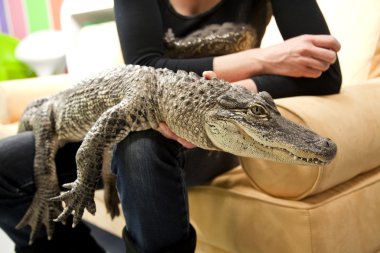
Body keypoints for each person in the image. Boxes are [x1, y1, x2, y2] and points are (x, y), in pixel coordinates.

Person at [0, 0, 341, 252]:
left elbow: (327, 75)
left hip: (212, 131)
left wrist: (244, 90)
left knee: (141, 144)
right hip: (140, 112)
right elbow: (145, 64)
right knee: (5, 163)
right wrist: (265, 59)